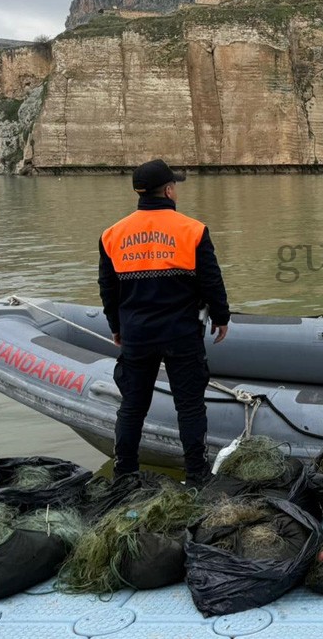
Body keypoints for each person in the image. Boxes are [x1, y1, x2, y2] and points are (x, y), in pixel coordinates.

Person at [98, 159, 230, 486]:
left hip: (137, 334)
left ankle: (124, 475)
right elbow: (211, 281)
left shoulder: (112, 235)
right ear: (169, 190)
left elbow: (108, 289)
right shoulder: (193, 231)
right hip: (181, 333)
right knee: (189, 407)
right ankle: (196, 475)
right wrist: (221, 316)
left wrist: (116, 326)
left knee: (132, 407)